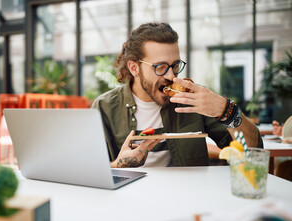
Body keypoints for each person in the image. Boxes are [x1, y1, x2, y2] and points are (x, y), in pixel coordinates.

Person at [92, 23, 263, 168]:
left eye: (175, 65)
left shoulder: (194, 99)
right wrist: (118, 165)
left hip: (189, 197)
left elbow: (251, 152)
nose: (171, 76)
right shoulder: (104, 107)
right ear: (134, 68)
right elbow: (88, 172)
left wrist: (227, 110)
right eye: (159, 67)